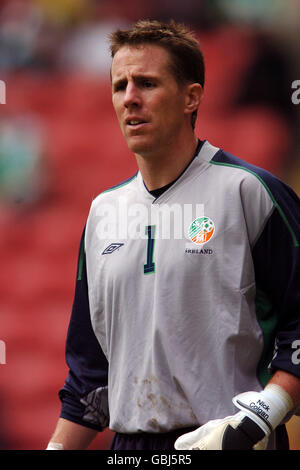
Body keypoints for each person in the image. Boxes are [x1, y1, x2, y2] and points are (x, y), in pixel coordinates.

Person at [46, 19, 300, 451]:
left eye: (146, 83)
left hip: (232, 440)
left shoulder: (250, 193)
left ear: (191, 97)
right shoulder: (102, 213)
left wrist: (261, 417)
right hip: (129, 448)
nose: (129, 98)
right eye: (119, 85)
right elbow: (91, 373)